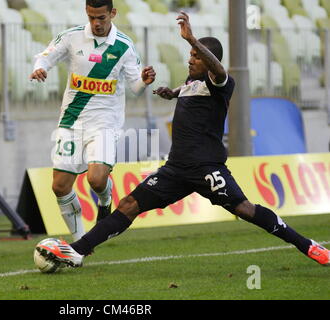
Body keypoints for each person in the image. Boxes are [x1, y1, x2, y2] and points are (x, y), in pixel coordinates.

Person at [36, 11, 329, 268]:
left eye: (195, 57)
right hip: (175, 170)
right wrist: (169, 92)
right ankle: (76, 251)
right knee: (128, 205)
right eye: (190, 56)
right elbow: (187, 91)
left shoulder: (221, 83)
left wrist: (193, 40)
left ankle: (307, 245)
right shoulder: (191, 83)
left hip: (207, 170)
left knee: (245, 210)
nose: (190, 61)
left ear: (208, 59)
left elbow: (217, 70)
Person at [30, 0, 156, 241]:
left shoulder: (124, 46)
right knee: (60, 186)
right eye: (92, 17)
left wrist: (144, 81)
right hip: (71, 121)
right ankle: (79, 242)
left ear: (113, 14)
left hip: (105, 124)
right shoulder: (71, 37)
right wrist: (40, 68)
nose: (96, 23)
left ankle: (105, 200)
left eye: (101, 18)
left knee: (96, 179)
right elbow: (46, 56)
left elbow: (135, 87)